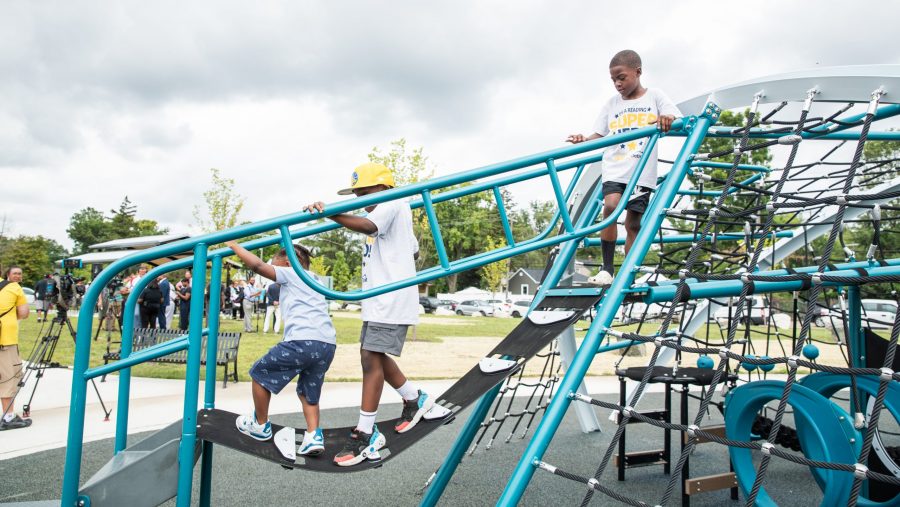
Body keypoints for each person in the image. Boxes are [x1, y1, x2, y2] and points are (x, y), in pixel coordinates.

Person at [304, 162, 434, 467]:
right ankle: (415, 398)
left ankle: (366, 432)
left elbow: (368, 226)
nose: (361, 200)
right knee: (372, 356)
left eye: (364, 193)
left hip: (391, 298)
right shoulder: (390, 211)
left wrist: (329, 212)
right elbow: (411, 248)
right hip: (379, 299)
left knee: (369, 357)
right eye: (358, 194)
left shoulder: (392, 202)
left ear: (383, 188)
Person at [566, 49, 681, 283]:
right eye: (613, 80)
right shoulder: (612, 104)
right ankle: (607, 269)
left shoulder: (655, 97)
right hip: (615, 166)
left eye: (622, 77)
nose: (617, 84)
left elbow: (676, 118)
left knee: (633, 223)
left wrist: (667, 119)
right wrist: (583, 140)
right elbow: (599, 134)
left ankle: (628, 273)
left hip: (641, 170)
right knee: (610, 206)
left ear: (637, 72)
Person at [225, 240, 336, 456]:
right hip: (327, 344)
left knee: (259, 373)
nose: (272, 269)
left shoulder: (291, 273)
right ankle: (314, 435)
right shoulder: (315, 280)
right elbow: (274, 290)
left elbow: (257, 267)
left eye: (274, 264)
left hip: (302, 341)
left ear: (287, 262)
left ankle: (260, 424)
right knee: (308, 391)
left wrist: (235, 246)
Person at [0, 266, 31, 430]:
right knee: (8, 378)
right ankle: (8, 417)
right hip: (5, 340)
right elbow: (24, 312)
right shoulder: (12, 287)